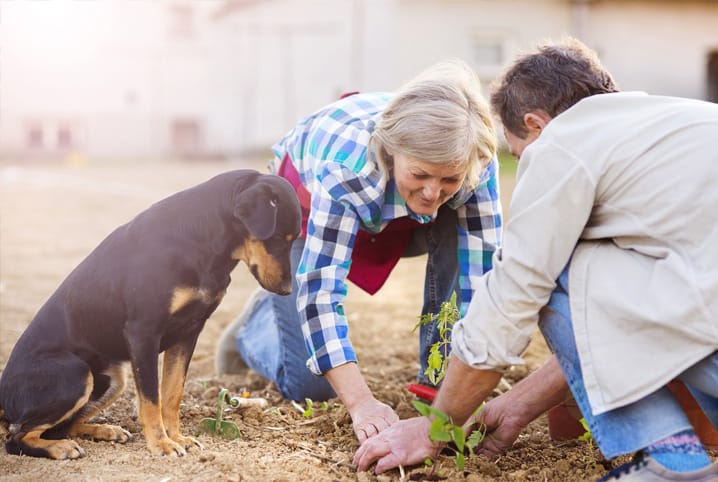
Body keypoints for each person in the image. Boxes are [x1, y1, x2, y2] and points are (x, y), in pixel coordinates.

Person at [353, 37, 718, 481]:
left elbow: (513, 298)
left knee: (562, 260)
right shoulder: (685, 121)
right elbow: (625, 319)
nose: (527, 164)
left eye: (519, 153)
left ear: (535, 124)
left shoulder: (564, 142)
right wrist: (519, 402)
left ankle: (671, 461)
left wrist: (435, 429)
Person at [215, 59, 503, 443]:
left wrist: (454, 397)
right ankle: (255, 328)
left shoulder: (474, 159)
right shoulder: (347, 167)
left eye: (448, 179)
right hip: (302, 208)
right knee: (313, 389)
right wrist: (362, 403)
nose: (433, 192)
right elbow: (322, 291)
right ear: (393, 152)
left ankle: (434, 379)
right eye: (420, 174)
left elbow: (480, 279)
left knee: (456, 226)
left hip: (397, 213)